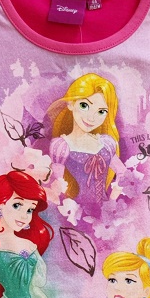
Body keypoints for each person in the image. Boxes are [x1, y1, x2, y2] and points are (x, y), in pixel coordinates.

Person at [47, 73, 127, 215]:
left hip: (105, 211)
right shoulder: (61, 146)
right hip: (75, 213)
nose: (91, 117)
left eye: (101, 111)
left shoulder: (106, 143)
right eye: (84, 105)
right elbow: (57, 185)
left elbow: (123, 173)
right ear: (71, 104)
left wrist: (112, 199)